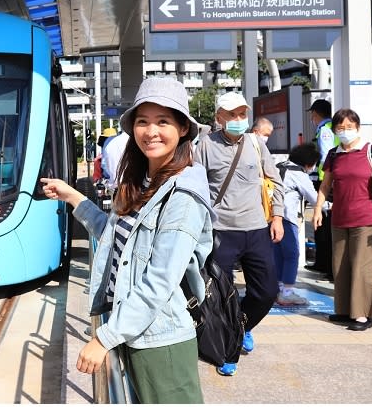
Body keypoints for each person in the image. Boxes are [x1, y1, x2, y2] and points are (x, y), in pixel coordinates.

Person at [41, 77, 214, 403]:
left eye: (163, 121)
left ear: (183, 129)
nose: (151, 132)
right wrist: (73, 196)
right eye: (143, 121)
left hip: (162, 341)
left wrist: (104, 338)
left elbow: (160, 280)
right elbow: (116, 239)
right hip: (135, 330)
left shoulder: (184, 194)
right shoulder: (142, 181)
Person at [193, 91, 285, 377]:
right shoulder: (205, 145)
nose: (237, 120)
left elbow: (273, 179)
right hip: (220, 230)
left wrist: (278, 216)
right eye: (231, 115)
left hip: (256, 228)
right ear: (219, 117)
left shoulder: (256, 143)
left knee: (267, 291)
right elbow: (195, 185)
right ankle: (228, 352)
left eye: (242, 114)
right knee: (221, 296)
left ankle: (242, 325)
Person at [312, 108, 372, 331]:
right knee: (340, 266)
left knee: (363, 267)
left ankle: (362, 315)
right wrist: (317, 208)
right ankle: (344, 311)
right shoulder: (334, 154)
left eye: (349, 127)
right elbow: (325, 184)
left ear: (358, 128)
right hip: (339, 217)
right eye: (340, 128)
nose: (345, 131)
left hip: (366, 218)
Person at [273, 143, 319, 306]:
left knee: (277, 254)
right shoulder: (299, 174)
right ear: (309, 163)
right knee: (292, 255)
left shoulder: (278, 166)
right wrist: (329, 205)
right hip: (286, 217)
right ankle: (287, 292)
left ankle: (277, 290)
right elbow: (314, 199)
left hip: (269, 217)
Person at [306, 99, 337, 280]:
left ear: (316, 113)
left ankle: (325, 264)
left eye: (312, 114)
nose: (312, 117)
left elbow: (326, 157)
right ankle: (323, 263)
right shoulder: (332, 127)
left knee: (324, 225)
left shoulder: (325, 130)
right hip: (330, 182)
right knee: (325, 224)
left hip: (326, 183)